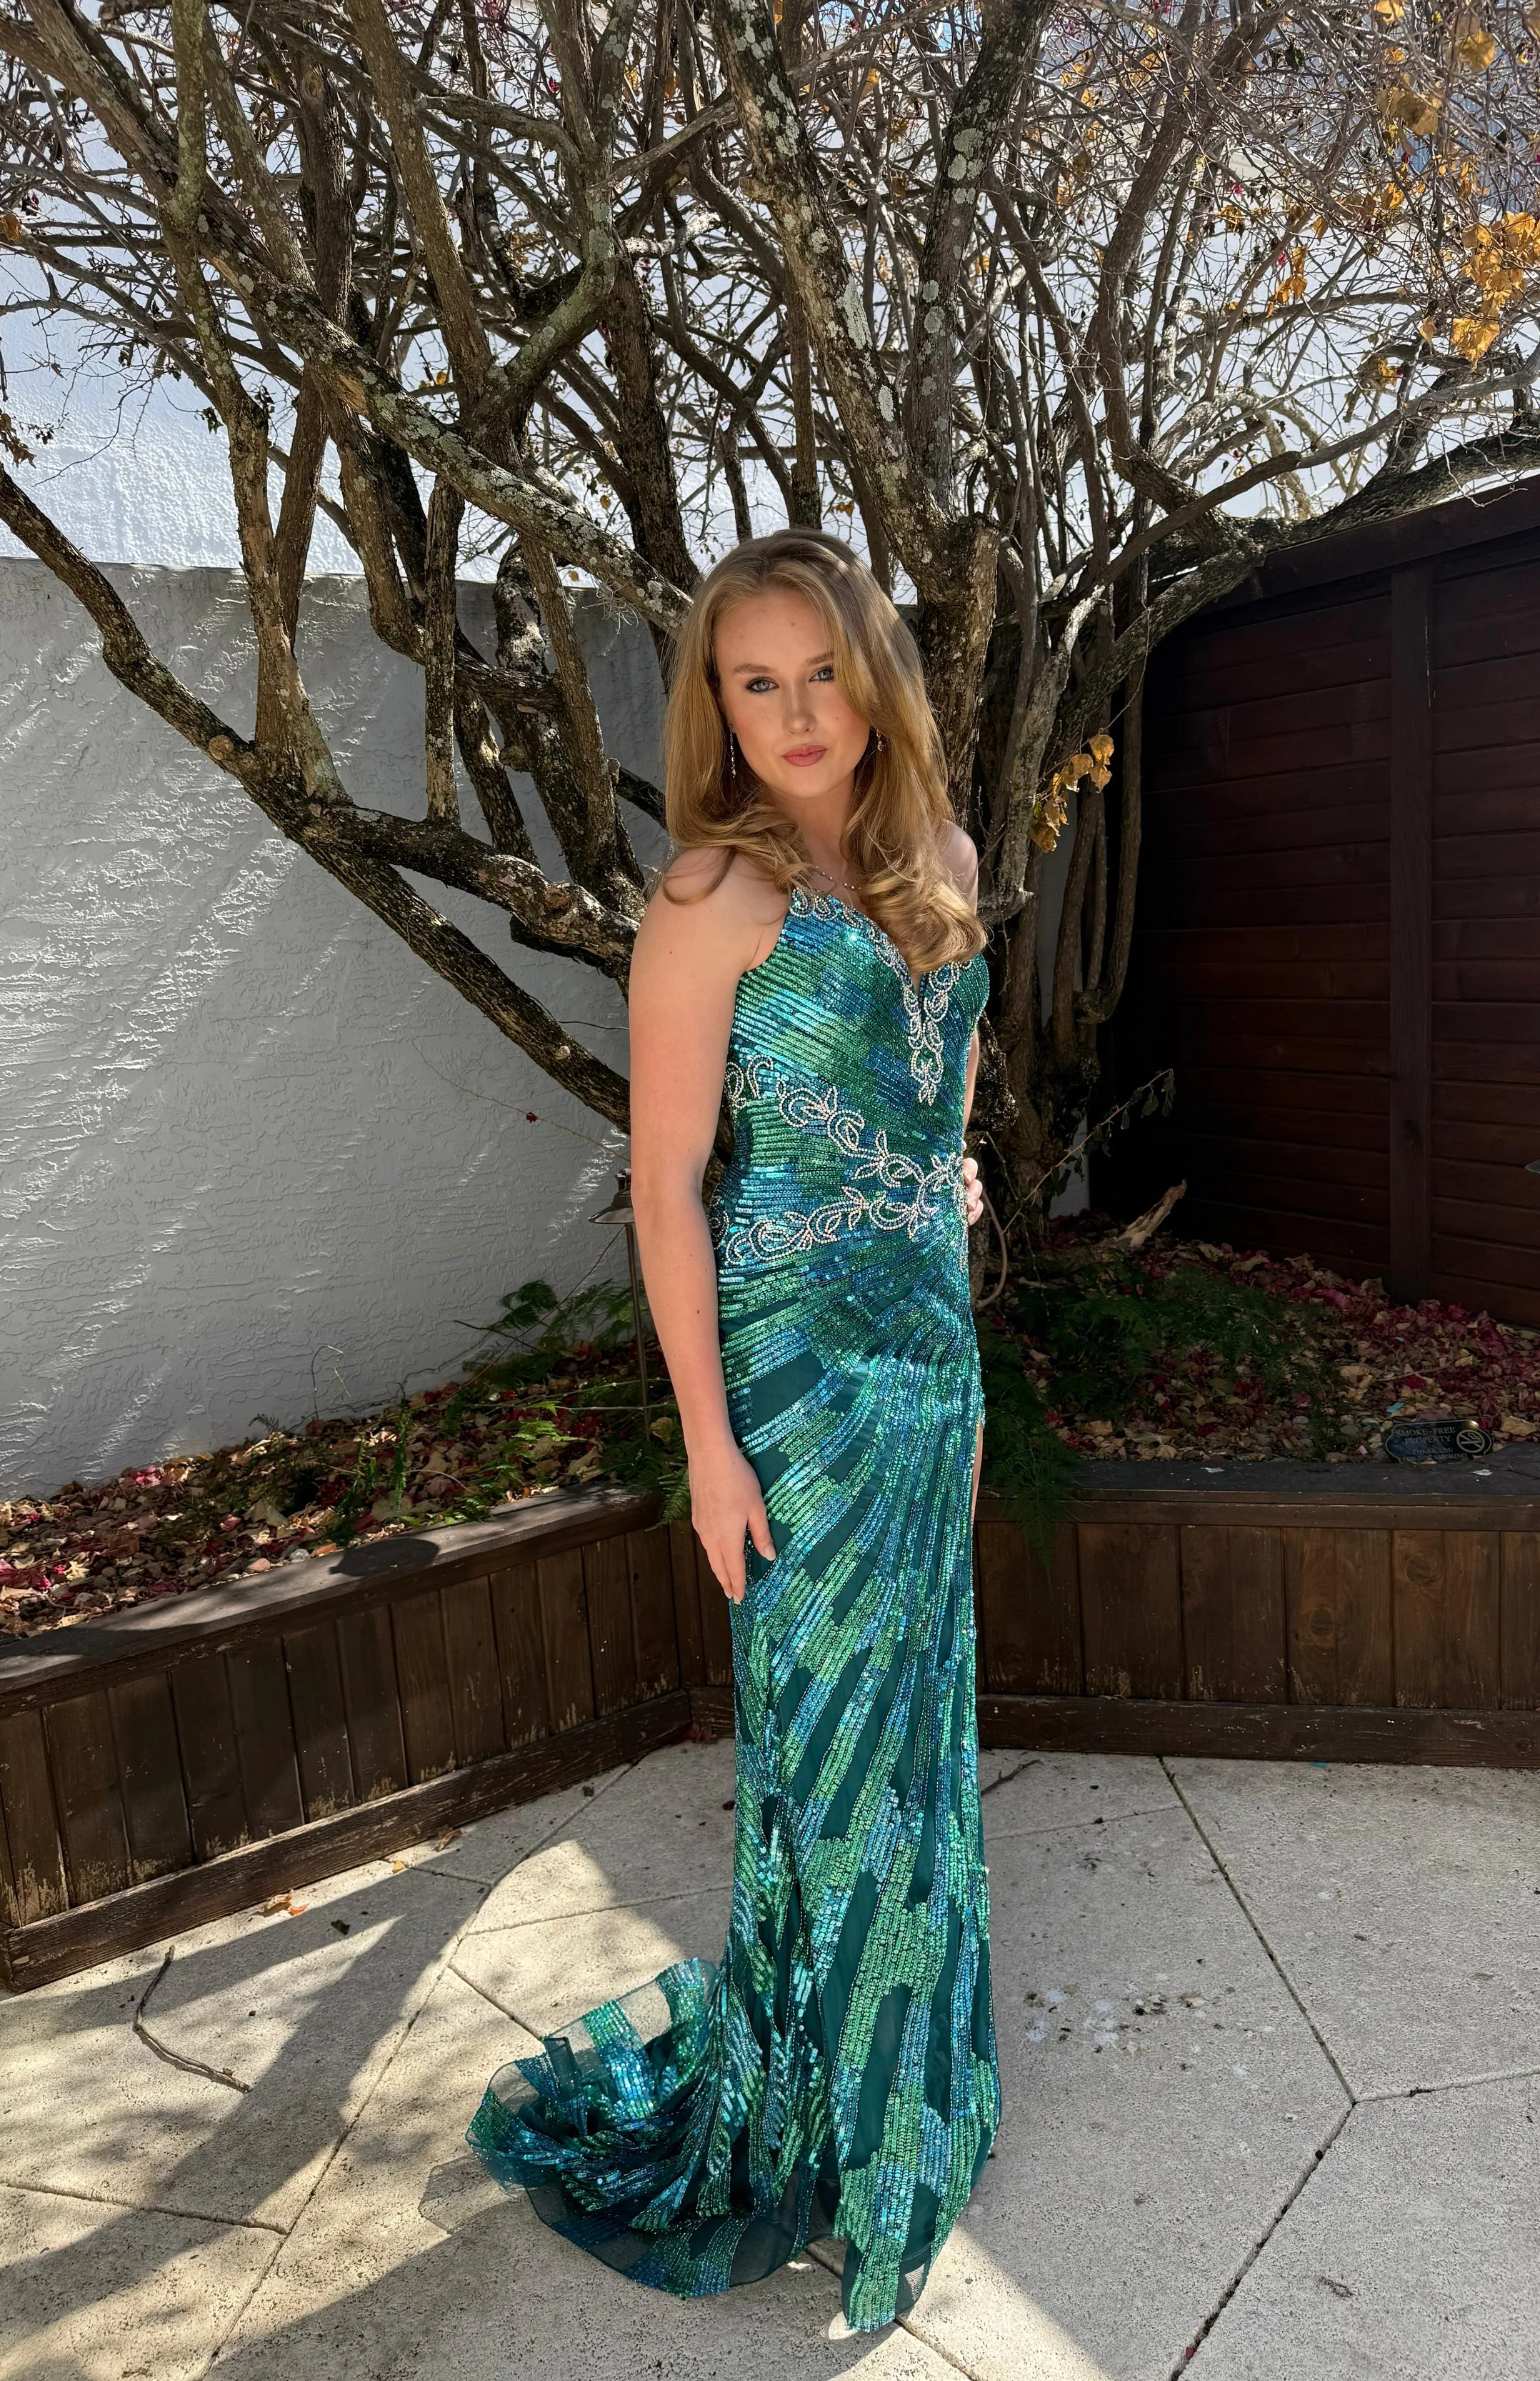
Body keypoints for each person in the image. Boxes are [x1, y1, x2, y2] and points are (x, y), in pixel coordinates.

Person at [465, 528, 999, 2335]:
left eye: (817, 672)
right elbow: (670, 1192)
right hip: (791, 1392)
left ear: (873, 677)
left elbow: (940, 1126)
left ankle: (916, 2101)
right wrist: (708, 1443)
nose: (789, 712)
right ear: (717, 706)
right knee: (827, 1769)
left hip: (931, 1370)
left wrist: (953, 1217)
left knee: (917, 1748)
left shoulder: (943, 860)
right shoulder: (710, 898)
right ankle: (845, 2145)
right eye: (749, 682)